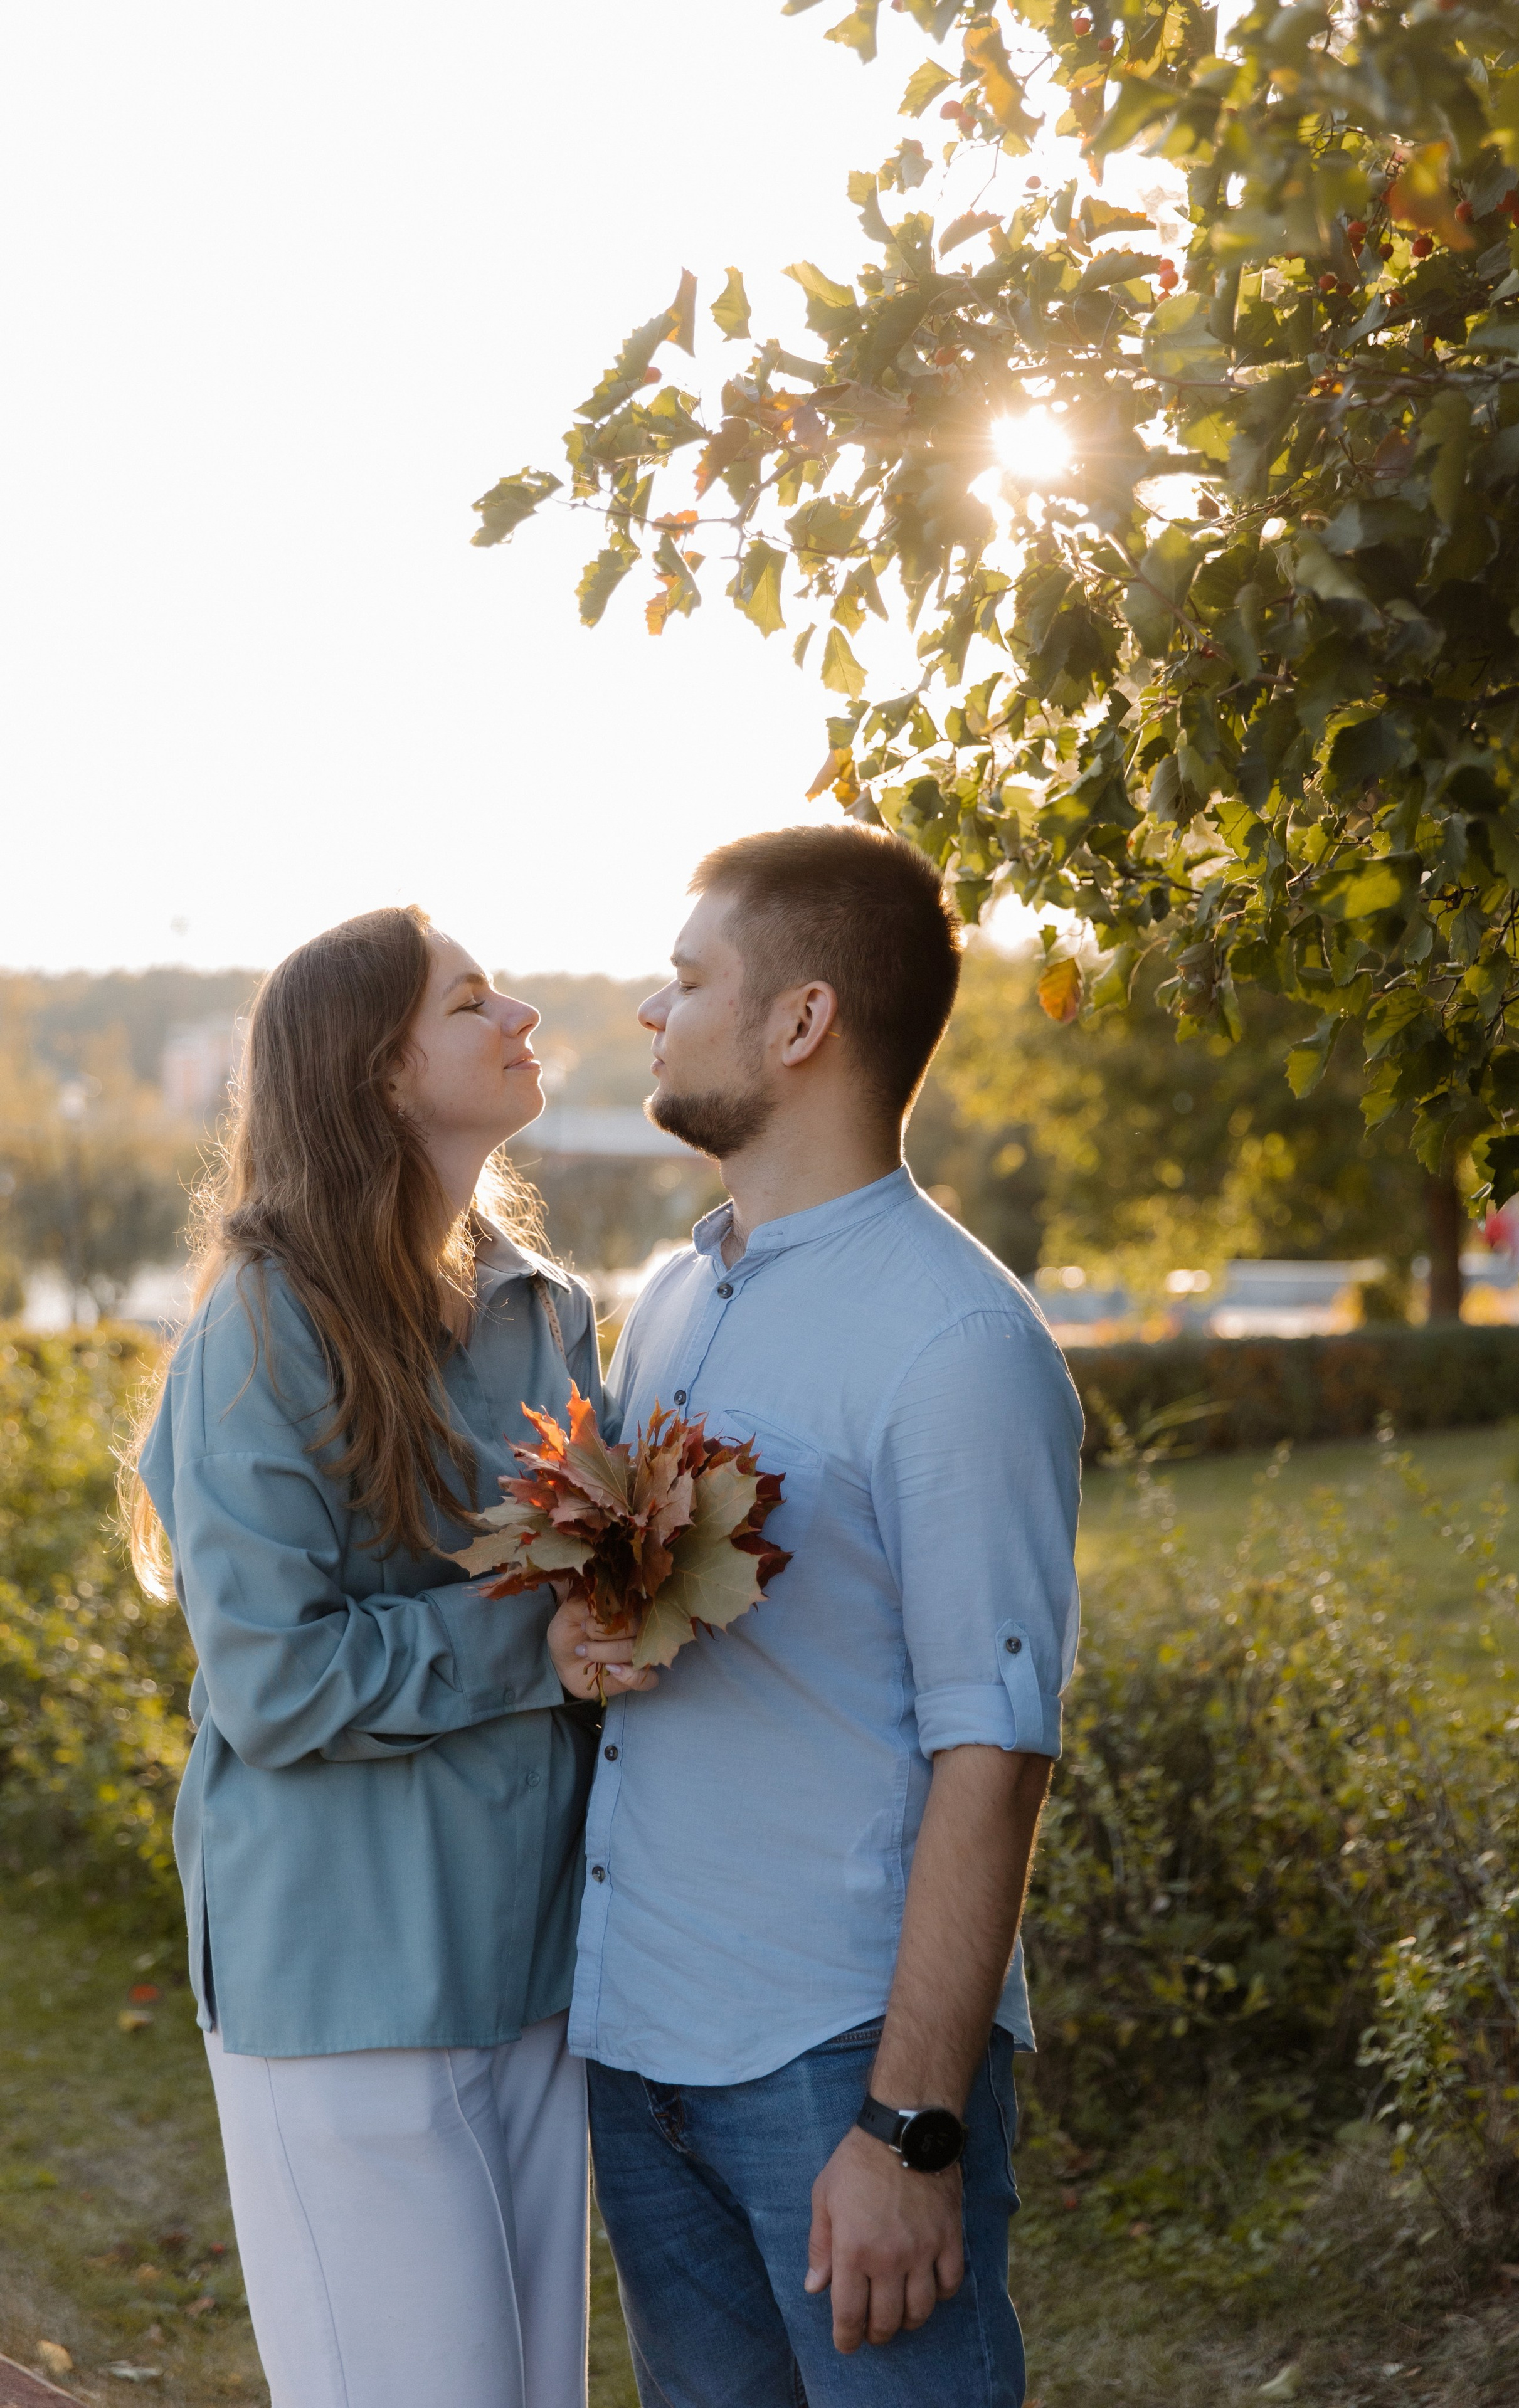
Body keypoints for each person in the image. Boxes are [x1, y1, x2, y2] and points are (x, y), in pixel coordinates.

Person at [561, 825, 1082, 2407]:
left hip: (828, 2066)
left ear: (799, 1024)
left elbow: (993, 1756)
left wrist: (905, 2127)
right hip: (642, 2046)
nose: (653, 1012)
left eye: (686, 978)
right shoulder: (673, 1292)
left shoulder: (955, 1345)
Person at [126, 906, 647, 2408]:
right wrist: (536, 1641)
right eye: (472, 1000)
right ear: (377, 1074)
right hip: (346, 1984)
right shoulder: (266, 1328)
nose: (522, 1013)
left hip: (537, 1968)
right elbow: (273, 1681)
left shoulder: (546, 1311)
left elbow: (579, 1604)